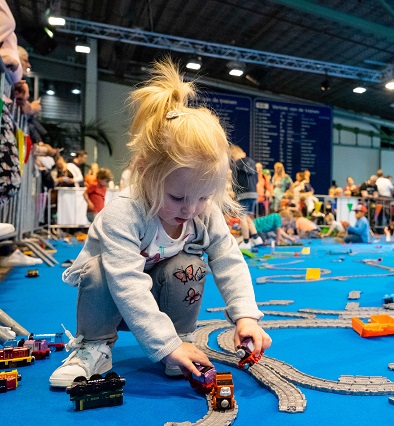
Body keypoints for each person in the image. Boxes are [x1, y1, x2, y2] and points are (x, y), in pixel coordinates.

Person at [49, 59, 271, 388]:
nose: (191, 209)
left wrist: (246, 317)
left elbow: (228, 259)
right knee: (98, 269)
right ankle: (93, 346)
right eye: (177, 198)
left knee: (190, 264)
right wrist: (163, 345)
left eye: (203, 197)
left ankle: (182, 338)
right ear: (144, 173)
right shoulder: (124, 213)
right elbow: (127, 285)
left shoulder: (202, 211)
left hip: (163, 298)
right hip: (113, 302)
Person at [230, 145, 262, 250]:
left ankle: (246, 241)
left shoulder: (235, 165)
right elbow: (257, 179)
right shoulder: (252, 163)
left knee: (242, 217)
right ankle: (256, 238)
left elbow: (234, 181)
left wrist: (235, 193)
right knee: (247, 216)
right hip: (254, 193)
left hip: (243, 194)